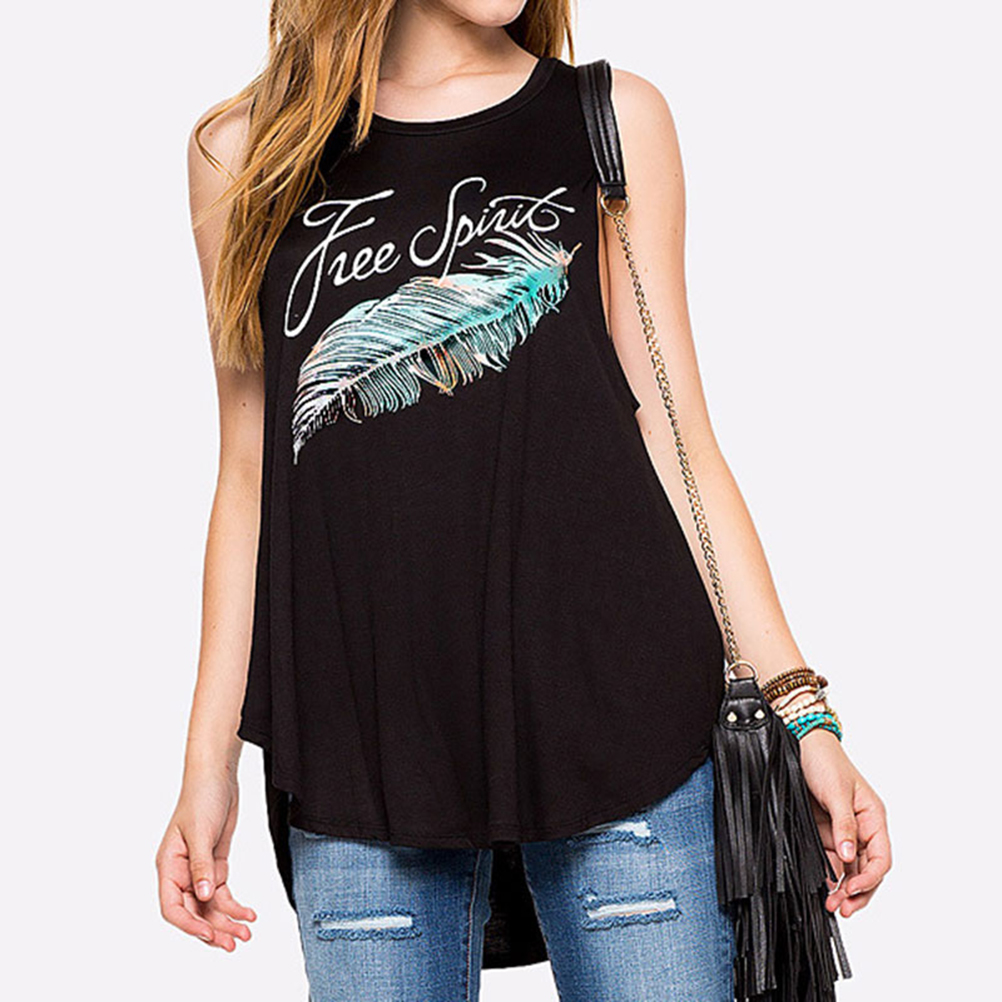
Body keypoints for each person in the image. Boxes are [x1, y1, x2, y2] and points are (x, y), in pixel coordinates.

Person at [156, 2, 892, 999]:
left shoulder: (611, 120)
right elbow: (249, 471)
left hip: (625, 727)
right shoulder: (243, 153)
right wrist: (207, 762)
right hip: (361, 752)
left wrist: (805, 713)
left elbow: (677, 438)